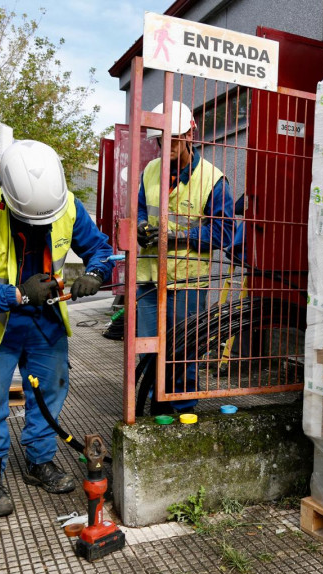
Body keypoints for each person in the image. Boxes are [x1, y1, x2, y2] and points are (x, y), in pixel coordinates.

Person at [0, 140, 114, 518]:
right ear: (7, 196)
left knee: (48, 394)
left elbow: (101, 249)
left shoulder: (66, 204)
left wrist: (94, 272)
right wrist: (18, 294)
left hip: (45, 322)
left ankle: (39, 462)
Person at [136, 101, 234, 413]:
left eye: (175, 138)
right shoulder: (150, 171)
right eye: (163, 140)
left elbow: (224, 235)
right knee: (150, 349)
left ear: (191, 134)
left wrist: (175, 236)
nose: (169, 146)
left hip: (188, 282)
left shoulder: (213, 180)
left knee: (184, 349)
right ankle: (158, 405)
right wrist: (141, 227)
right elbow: (140, 209)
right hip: (149, 278)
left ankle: (185, 407)